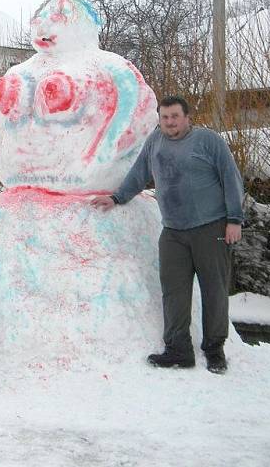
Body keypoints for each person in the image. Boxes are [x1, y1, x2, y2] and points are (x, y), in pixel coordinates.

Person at [91, 95, 243, 375]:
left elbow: (231, 178)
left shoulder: (208, 141)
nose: (170, 122)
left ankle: (214, 349)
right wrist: (117, 197)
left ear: (187, 117)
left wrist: (234, 219)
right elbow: (139, 174)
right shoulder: (155, 142)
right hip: (173, 230)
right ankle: (178, 350)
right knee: (174, 292)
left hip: (210, 228)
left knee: (215, 290)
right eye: (165, 117)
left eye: (175, 116)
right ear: (159, 118)